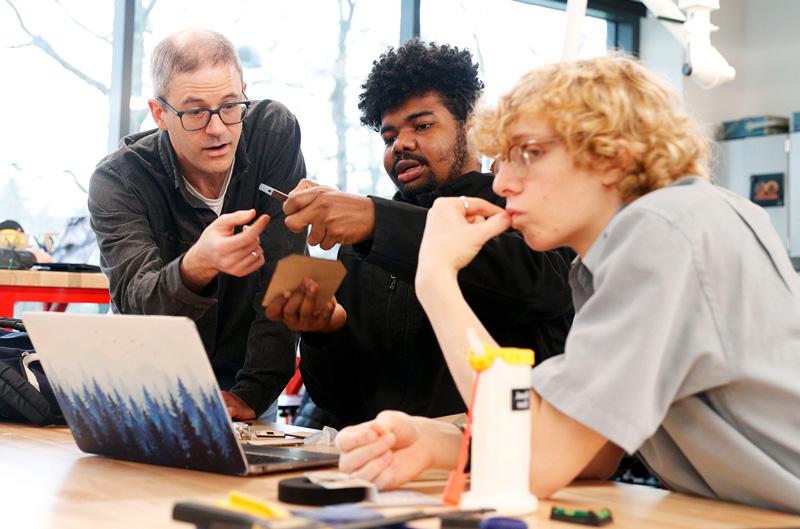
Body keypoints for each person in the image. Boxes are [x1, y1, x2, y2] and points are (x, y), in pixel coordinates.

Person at [335, 56, 800, 514]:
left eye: (530, 154)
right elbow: (594, 451)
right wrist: (437, 441)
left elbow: (539, 461)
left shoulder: (661, 231)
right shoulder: (652, 235)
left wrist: (436, 278)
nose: (504, 185)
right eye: (505, 160)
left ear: (613, 156)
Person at [265, 40, 574, 427]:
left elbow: (536, 284)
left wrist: (379, 222)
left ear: (472, 125)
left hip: (502, 454)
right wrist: (326, 333)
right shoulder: (361, 245)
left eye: (423, 125)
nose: (401, 145)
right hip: (386, 462)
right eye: (388, 137)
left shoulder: (520, 214)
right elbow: (339, 401)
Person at [88, 30, 306, 420]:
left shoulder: (272, 133)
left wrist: (253, 395)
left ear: (244, 92)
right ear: (160, 115)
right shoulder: (119, 180)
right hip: (145, 381)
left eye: (229, 105)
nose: (218, 128)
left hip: (245, 386)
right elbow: (137, 299)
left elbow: (283, 274)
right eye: (195, 112)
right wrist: (196, 266)